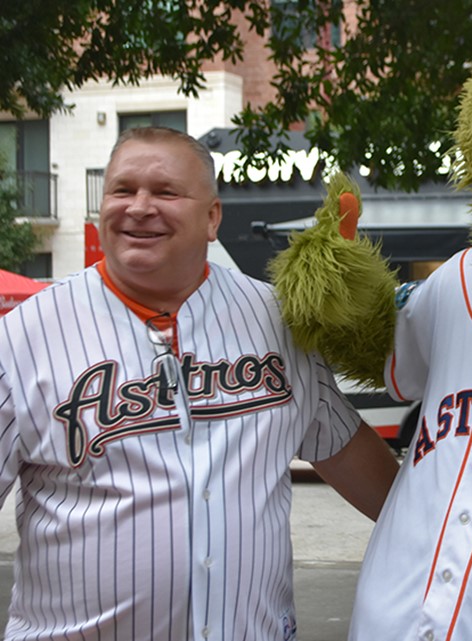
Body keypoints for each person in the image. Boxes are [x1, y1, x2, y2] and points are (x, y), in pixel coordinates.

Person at [0, 126, 400, 641]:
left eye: (165, 192)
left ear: (212, 218)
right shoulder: (23, 336)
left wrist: (451, 543)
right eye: (123, 190)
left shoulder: (275, 320)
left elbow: (347, 453)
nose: (140, 207)